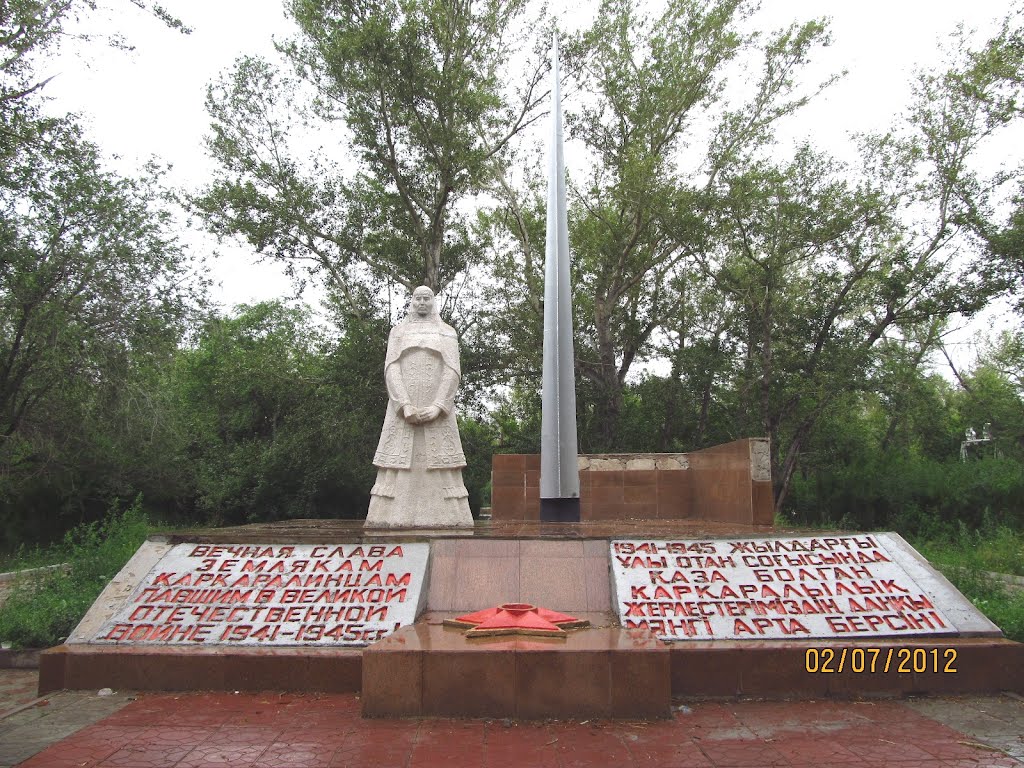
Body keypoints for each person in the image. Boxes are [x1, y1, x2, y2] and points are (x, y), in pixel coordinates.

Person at [364, 286, 474, 528]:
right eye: (418, 298)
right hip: (403, 412)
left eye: (427, 298)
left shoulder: (447, 333)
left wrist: (438, 406)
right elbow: (391, 368)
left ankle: (451, 519)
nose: (422, 302)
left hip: (437, 412)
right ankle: (388, 517)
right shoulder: (398, 332)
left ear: (433, 302)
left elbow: (452, 370)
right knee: (396, 462)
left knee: (442, 462)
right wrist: (402, 404)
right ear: (412, 302)